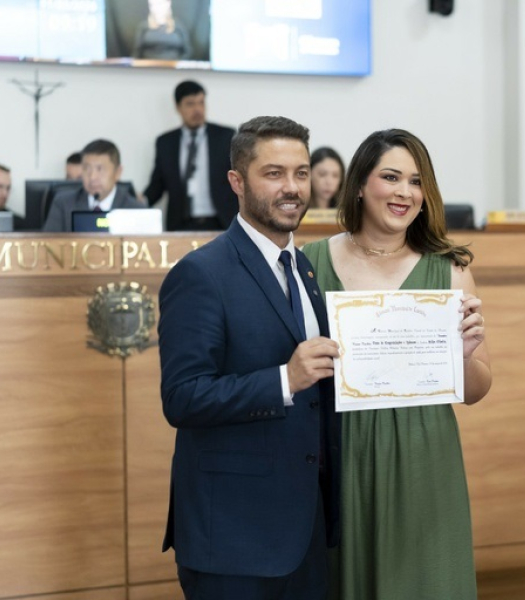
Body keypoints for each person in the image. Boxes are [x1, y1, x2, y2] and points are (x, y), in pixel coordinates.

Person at [302, 129, 492, 599]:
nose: (404, 192)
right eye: (391, 177)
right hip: (342, 449)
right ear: (361, 184)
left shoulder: (450, 268)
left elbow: (475, 391)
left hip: (424, 450)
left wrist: (465, 356)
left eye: (415, 181)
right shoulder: (310, 260)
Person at [158, 115, 341, 600]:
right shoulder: (200, 274)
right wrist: (284, 379)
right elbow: (182, 398)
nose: (293, 188)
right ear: (237, 182)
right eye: (274, 173)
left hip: (304, 529)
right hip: (233, 538)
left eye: (301, 173)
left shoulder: (303, 267)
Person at [145, 80, 238, 231]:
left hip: (221, 222)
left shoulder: (225, 137)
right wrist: (136, 203)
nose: (197, 109)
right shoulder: (166, 143)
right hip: (181, 225)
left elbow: (239, 178)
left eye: (201, 103)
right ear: (178, 107)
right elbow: (157, 186)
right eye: (190, 104)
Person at [43, 139, 144, 232]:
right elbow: (47, 247)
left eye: (100, 169)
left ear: (118, 172)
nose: (92, 177)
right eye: (87, 169)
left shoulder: (137, 210)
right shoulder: (63, 204)